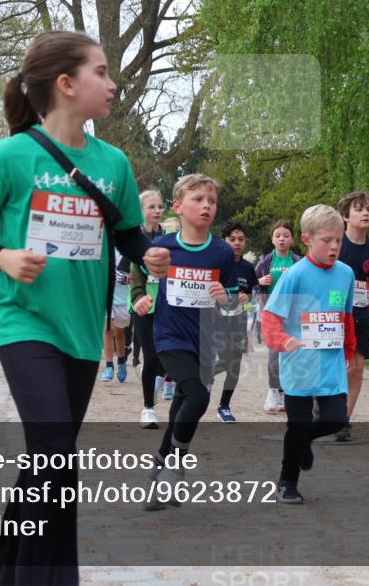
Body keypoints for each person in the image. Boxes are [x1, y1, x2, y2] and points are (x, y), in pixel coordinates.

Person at [0, 29, 170, 586]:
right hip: (25, 321)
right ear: (67, 85)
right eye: (102, 72)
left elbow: (125, 235)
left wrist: (151, 254)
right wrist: (0, 257)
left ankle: (3, 564)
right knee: (58, 454)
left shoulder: (112, 163)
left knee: (51, 455)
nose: (113, 84)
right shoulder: (12, 155)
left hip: (80, 327)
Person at [144, 174, 238, 510]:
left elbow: (233, 300)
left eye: (211, 201)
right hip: (169, 337)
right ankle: (175, 465)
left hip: (206, 340)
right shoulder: (163, 247)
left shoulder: (222, 253)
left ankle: (159, 466)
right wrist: (141, 297)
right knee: (197, 396)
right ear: (178, 206)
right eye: (198, 199)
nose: (206, 206)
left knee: (183, 406)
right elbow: (142, 276)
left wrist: (225, 296)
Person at [261, 205, 356, 503]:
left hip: (331, 365)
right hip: (299, 365)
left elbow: (348, 317)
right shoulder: (295, 276)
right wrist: (283, 340)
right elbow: (270, 318)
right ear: (307, 239)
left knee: (336, 420)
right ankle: (287, 480)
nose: (334, 246)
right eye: (326, 240)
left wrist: (350, 351)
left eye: (338, 240)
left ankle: (304, 443)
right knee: (298, 425)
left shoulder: (346, 274)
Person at [335, 191, 369, 441]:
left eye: (368, 209)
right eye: (359, 209)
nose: (366, 213)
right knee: (333, 366)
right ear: (346, 216)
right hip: (332, 314)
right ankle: (321, 404)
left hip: (359, 315)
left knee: (356, 368)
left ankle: (343, 421)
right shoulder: (335, 243)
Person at [128, 190, 166, 429]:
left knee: (165, 357)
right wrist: (139, 296)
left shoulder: (170, 238)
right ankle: (148, 409)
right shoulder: (135, 239)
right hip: (142, 307)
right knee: (151, 355)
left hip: (167, 307)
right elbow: (134, 275)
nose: (157, 211)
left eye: (160, 206)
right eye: (151, 206)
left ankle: (159, 377)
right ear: (141, 211)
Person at [213, 221, 259, 423]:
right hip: (218, 320)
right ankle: (204, 376)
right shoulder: (216, 263)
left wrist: (246, 300)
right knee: (225, 359)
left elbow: (251, 297)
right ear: (224, 241)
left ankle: (224, 406)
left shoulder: (248, 268)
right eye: (232, 239)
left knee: (235, 365)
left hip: (239, 322)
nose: (237, 243)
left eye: (241, 239)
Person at [255, 220, 301, 413]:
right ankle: (274, 391)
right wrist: (260, 281)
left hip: (294, 315)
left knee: (295, 353)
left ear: (292, 239)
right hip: (272, 314)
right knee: (275, 354)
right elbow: (252, 285)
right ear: (272, 239)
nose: (281, 239)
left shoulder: (299, 261)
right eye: (278, 235)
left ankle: (290, 393)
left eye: (286, 235)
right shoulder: (265, 262)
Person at [100, 249, 131, 382]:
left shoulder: (128, 248)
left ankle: (121, 361)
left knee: (119, 332)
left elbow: (139, 272)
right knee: (108, 329)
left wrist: (127, 278)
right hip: (106, 296)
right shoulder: (104, 248)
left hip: (123, 298)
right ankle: (108, 366)